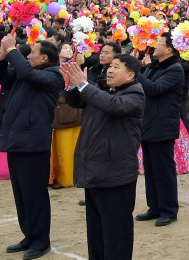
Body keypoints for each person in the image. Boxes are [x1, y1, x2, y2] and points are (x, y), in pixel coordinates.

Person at [62, 54, 145, 260]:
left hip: (116, 175)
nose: (110, 70)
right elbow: (76, 101)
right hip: (95, 171)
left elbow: (112, 106)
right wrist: (73, 85)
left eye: (117, 67)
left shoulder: (135, 94)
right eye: (110, 66)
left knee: (116, 234)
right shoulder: (103, 91)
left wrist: (84, 85)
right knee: (97, 232)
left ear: (130, 75)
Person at [0, 35, 63, 260]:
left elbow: (25, 72)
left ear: (44, 58)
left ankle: (41, 241)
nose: (28, 55)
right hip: (17, 140)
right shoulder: (28, 74)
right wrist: (3, 55)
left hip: (33, 143)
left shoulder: (52, 76)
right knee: (21, 195)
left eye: (33, 52)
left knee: (34, 195)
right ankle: (29, 235)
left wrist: (12, 48)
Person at [135, 33, 186, 227]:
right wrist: (143, 69)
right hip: (148, 122)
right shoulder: (155, 66)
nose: (155, 46)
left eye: (159, 44)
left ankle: (168, 210)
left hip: (162, 124)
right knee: (151, 169)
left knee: (163, 170)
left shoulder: (175, 69)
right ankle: (154, 206)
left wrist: (136, 70)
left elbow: (154, 88)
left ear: (169, 50)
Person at [50, 44, 83, 190]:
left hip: (68, 110)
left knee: (67, 147)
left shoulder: (73, 67)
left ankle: (66, 178)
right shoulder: (53, 67)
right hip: (57, 109)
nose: (68, 50)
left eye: (70, 48)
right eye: (65, 48)